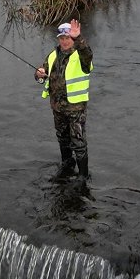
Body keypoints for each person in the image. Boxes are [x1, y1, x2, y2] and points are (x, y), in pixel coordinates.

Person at [34, 19, 93, 178]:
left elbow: (88, 53)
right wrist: (39, 75)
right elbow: (41, 76)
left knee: (78, 142)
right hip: (57, 107)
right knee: (62, 138)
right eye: (62, 38)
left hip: (75, 108)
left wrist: (79, 37)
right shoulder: (53, 55)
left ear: (72, 40)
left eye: (68, 38)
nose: (65, 41)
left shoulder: (81, 56)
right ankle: (67, 164)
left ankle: (83, 176)